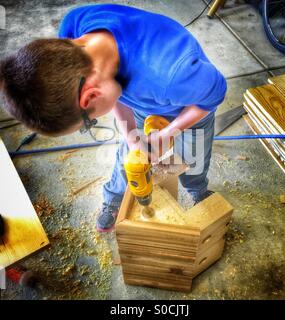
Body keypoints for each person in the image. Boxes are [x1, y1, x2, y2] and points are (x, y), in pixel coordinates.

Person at [0, 4, 227, 232]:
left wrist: (170, 132)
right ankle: (113, 198)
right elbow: (113, 94)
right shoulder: (74, 29)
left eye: (88, 122)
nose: (92, 122)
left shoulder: (172, 76)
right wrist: (131, 136)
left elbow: (214, 95)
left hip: (189, 106)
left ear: (91, 96)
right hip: (144, 100)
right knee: (129, 157)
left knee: (192, 156)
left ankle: (198, 190)